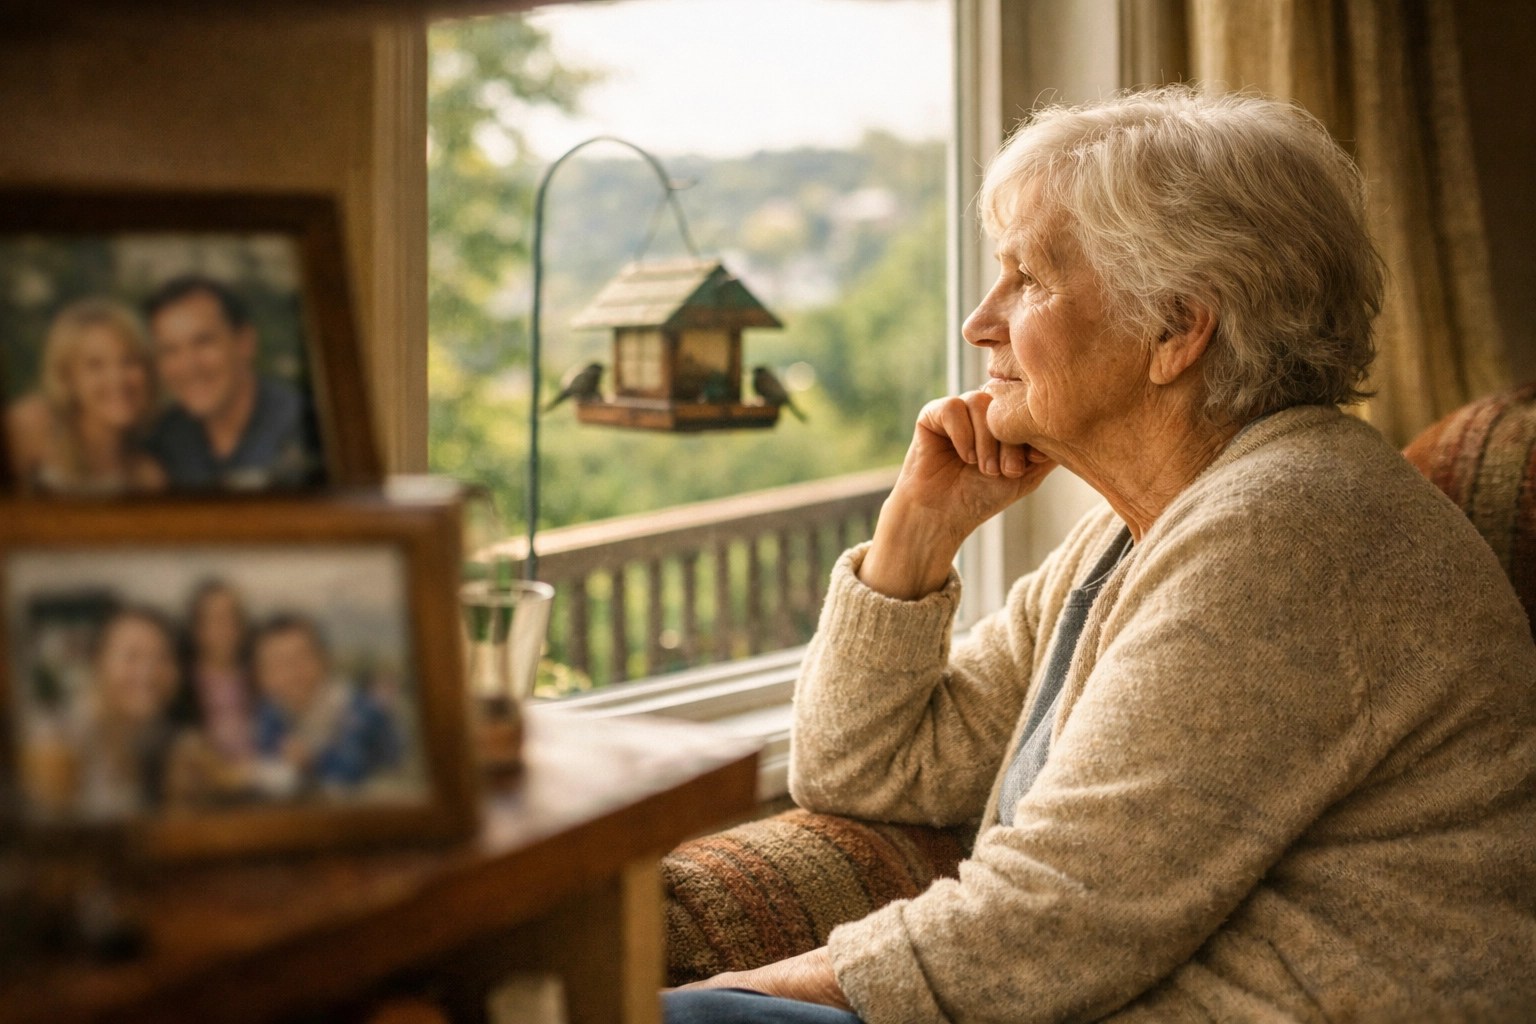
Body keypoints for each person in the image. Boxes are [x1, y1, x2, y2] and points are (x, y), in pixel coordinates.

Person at [667, 87, 1536, 1022]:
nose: (979, 322)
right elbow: (865, 769)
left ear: (1176, 329)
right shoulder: (1141, 526)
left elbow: (1044, 924)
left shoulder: (1287, 532)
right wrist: (916, 531)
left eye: (1028, 279)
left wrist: (717, 992)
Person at [142, 275, 322, 490]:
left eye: (203, 342)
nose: (189, 366)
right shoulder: (166, 440)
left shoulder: (310, 429)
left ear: (245, 343)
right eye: (170, 350)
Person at [22, 608, 182, 820]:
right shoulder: (59, 739)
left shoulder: (152, 735)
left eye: (162, 658)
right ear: (99, 662)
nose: (148, 672)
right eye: (132, 657)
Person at [5, 297, 166, 495]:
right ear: (68, 377)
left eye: (129, 361)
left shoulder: (147, 476)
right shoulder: (30, 427)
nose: (117, 379)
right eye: (95, 365)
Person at [249, 614, 403, 796]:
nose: (292, 672)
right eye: (278, 663)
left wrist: (311, 760)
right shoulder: (272, 711)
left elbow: (349, 772)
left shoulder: (358, 709)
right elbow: (268, 761)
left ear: (324, 660)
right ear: (262, 676)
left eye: (302, 658)